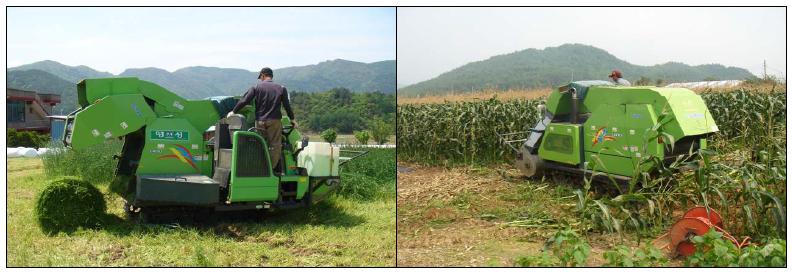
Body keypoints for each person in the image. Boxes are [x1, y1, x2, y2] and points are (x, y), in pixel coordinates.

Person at [227, 67, 296, 175]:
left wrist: (234, 111)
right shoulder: (281, 88)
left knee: (260, 144)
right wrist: (292, 120)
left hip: (260, 121)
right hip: (274, 121)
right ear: (271, 76)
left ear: (263, 75)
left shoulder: (256, 87)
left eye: (261, 77)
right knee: (275, 145)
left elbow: (245, 100)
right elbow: (287, 106)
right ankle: (270, 169)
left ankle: (260, 168)